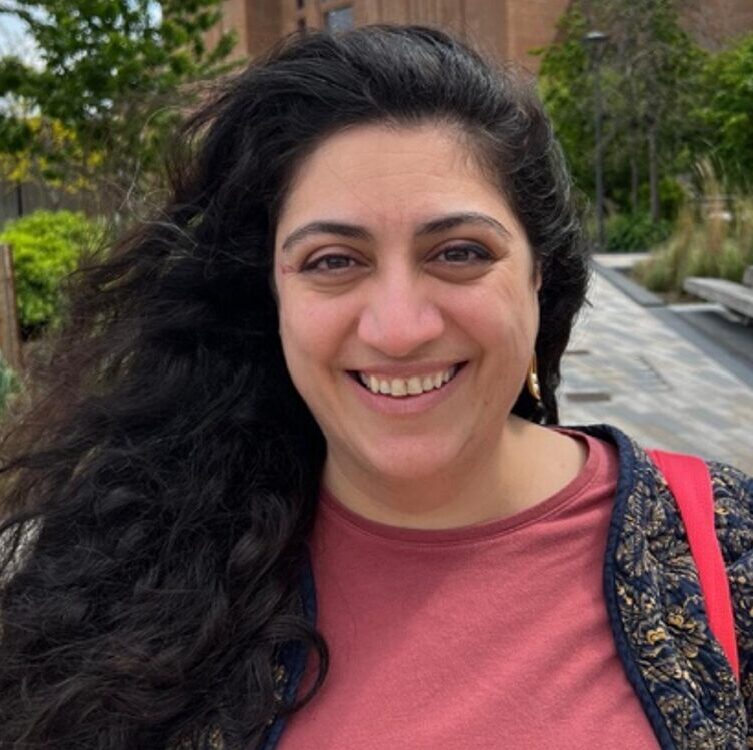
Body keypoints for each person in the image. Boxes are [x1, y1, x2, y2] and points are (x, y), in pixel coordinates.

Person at [0, 24, 750, 750]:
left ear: (538, 277)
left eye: (459, 252)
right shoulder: (131, 574)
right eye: (333, 261)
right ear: (272, 297)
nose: (398, 329)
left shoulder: (724, 545)